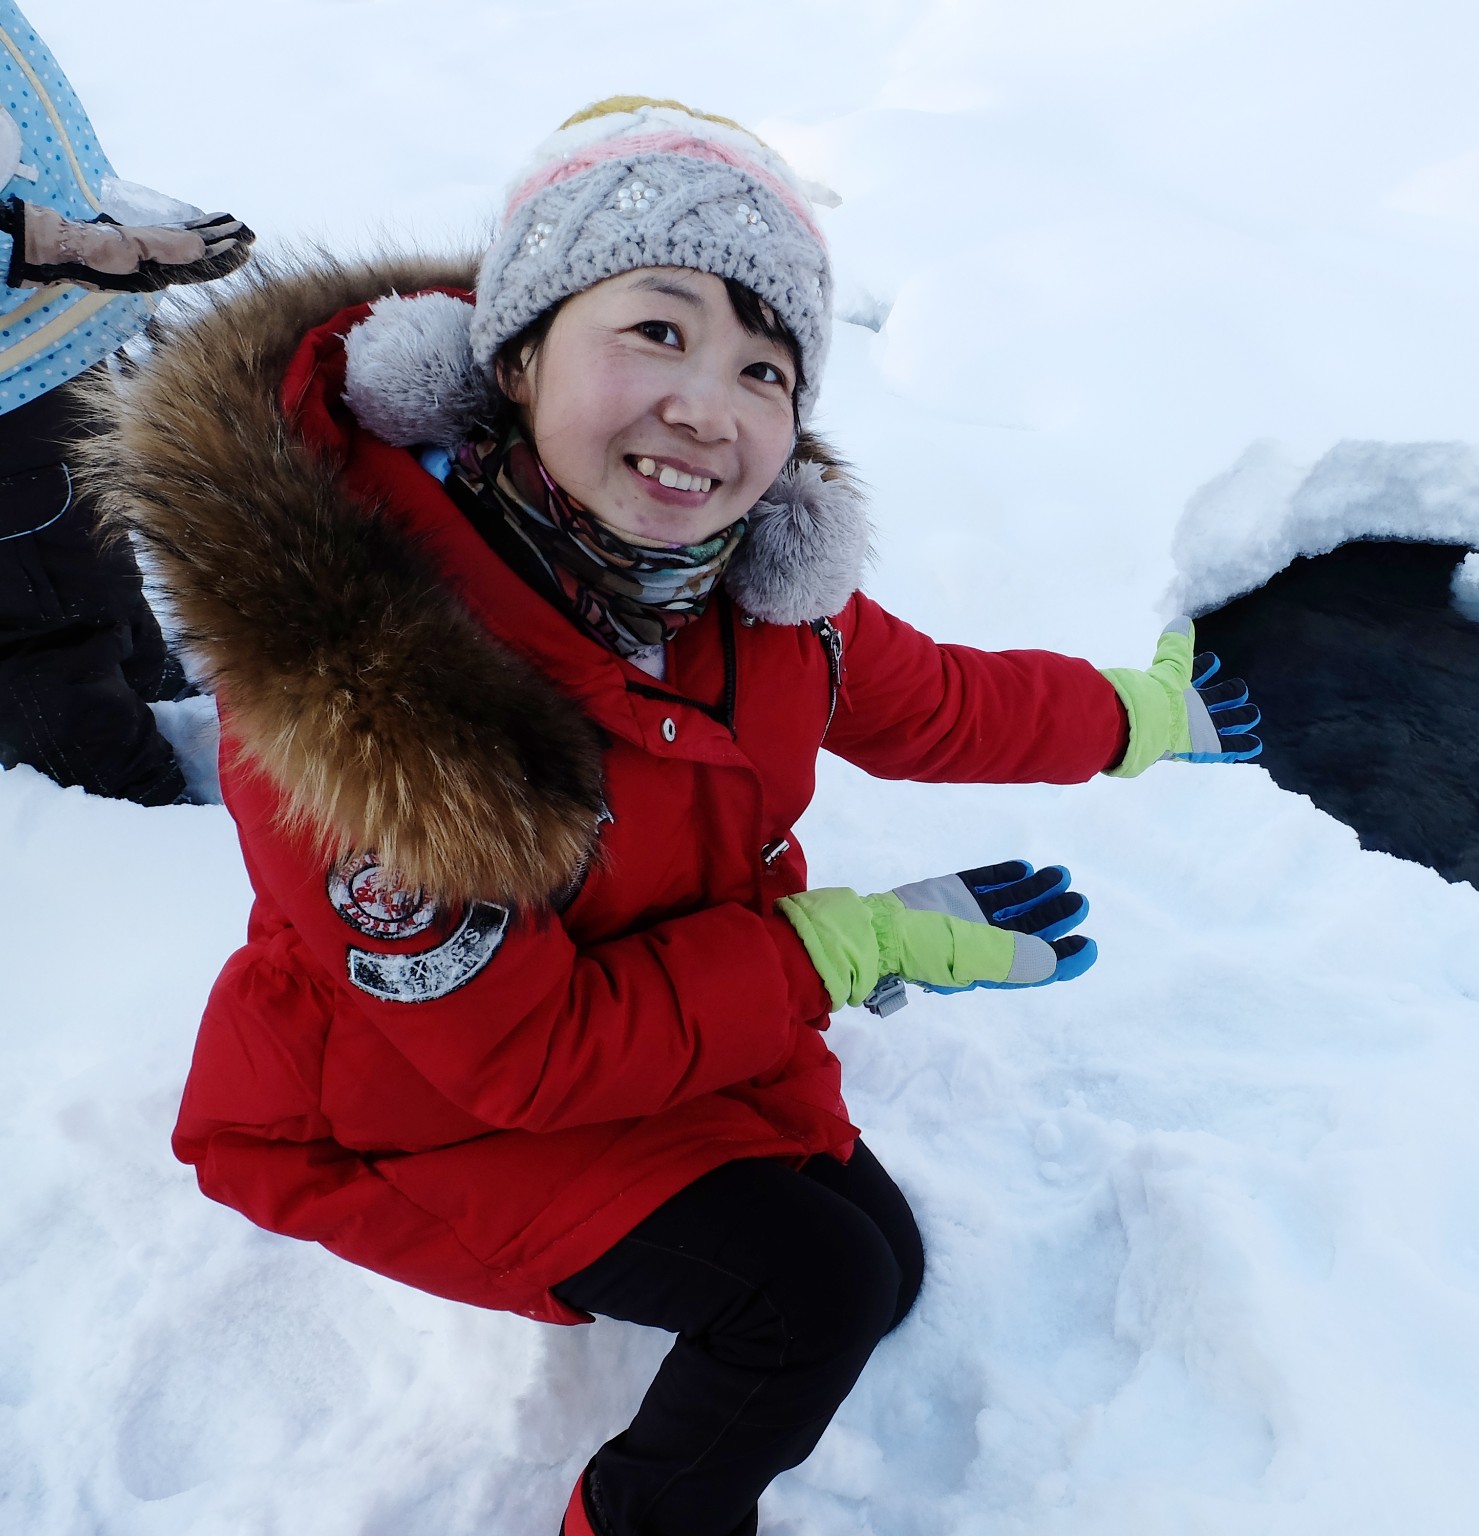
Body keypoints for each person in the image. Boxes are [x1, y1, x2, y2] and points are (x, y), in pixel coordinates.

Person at [87, 97, 1261, 1536]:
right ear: (514, 353)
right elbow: (517, 1058)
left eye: (766, 369)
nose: (710, 404)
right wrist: (835, 952)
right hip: (416, 1104)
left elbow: (937, 698)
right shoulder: (378, 708)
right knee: (813, 1295)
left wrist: (1144, 721)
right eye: (658, 330)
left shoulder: (748, 589)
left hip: (655, 1015)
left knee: (876, 1265)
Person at [0, 1, 252, 803]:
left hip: (49, 351)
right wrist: (66, 247)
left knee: (95, 557)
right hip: (7, 391)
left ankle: (167, 711)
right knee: (44, 630)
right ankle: (128, 819)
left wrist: (99, 216)